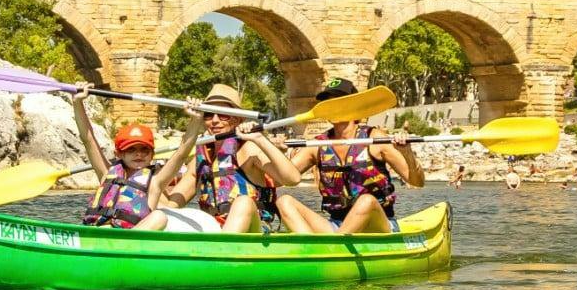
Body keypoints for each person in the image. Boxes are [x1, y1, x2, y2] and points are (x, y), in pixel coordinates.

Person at [160, 83, 299, 235]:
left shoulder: (248, 147)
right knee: (158, 202)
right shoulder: (202, 158)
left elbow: (293, 179)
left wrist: (260, 138)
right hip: (214, 228)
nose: (214, 120)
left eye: (223, 115)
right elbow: (172, 205)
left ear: (238, 119)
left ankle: (222, 248)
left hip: (254, 230)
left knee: (243, 202)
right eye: (208, 114)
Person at [289, 106, 424, 236]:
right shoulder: (317, 145)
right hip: (337, 225)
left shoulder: (375, 138)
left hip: (376, 225)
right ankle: (311, 248)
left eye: (336, 103)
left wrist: (407, 152)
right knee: (285, 202)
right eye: (328, 104)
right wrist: (273, 150)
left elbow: (417, 182)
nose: (332, 107)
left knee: (367, 201)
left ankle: (335, 249)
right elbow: (281, 177)